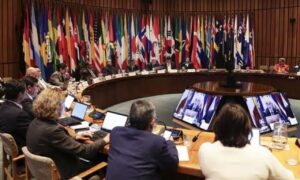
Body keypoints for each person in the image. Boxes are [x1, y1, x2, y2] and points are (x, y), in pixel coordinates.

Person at [26, 88, 109, 179]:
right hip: (66, 173)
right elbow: (84, 151)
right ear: (55, 107)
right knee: (102, 159)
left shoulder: (35, 122)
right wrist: (104, 140)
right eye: (63, 104)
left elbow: (55, 143)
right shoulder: (52, 130)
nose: (65, 107)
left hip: (45, 170)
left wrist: (75, 138)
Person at [199, 103, 294, 180]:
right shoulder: (262, 154)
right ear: (247, 129)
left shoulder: (205, 150)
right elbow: (289, 178)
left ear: (217, 127)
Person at [106, 100, 179, 180]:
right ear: (152, 121)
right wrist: (170, 143)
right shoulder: (157, 142)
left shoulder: (116, 132)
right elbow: (172, 165)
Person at [0, 79, 32, 150]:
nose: (26, 94)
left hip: (7, 148)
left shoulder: (3, 106)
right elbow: (31, 136)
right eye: (25, 92)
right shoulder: (20, 115)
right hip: (22, 150)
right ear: (20, 94)